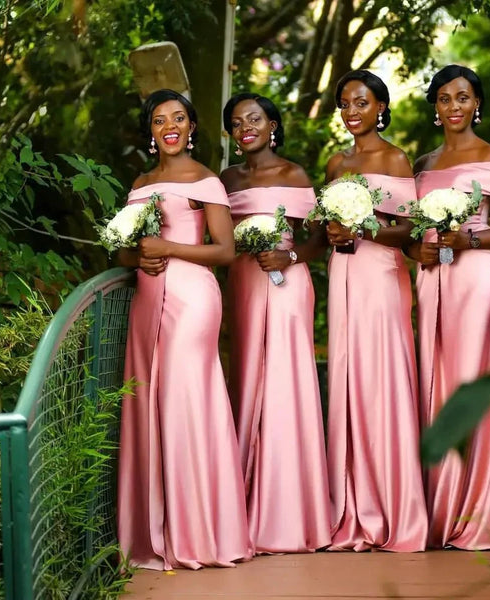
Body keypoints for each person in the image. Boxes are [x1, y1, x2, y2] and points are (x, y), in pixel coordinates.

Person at [117, 89, 251, 570]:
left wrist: (168, 249)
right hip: (147, 301)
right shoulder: (139, 182)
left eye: (178, 118)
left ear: (192, 127)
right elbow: (123, 252)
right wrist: (140, 255)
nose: (169, 126)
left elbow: (225, 251)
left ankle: (200, 531)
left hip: (193, 299)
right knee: (149, 403)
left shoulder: (206, 180)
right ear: (151, 133)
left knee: (187, 400)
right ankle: (157, 526)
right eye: (158, 120)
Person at [411, 64, 490, 550]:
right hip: (433, 279)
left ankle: (484, 511)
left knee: (472, 383)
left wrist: (472, 237)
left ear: (476, 103)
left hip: (478, 280)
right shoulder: (422, 164)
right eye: (444, 98)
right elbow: (411, 230)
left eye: (462, 97)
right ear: (435, 107)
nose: (454, 106)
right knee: (436, 385)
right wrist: (414, 248)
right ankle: (440, 508)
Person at [220, 92, 331, 554]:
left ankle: (291, 511)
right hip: (243, 281)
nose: (246, 127)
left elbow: (319, 238)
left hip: (287, 283)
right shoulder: (225, 179)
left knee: (286, 383)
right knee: (245, 379)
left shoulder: (295, 174)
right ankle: (241, 504)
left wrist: (288, 254)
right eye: (236, 122)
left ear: (272, 124)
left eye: (254, 119)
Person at [324, 70, 428, 552]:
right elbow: (326, 226)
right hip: (343, 275)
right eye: (345, 103)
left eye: (361, 103)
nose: (352, 112)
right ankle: (352, 504)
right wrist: (336, 234)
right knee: (348, 378)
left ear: (381, 107)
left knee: (384, 377)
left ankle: (397, 505)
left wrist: (365, 230)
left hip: (383, 277)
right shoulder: (334, 163)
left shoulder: (396, 158)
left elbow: (408, 232)